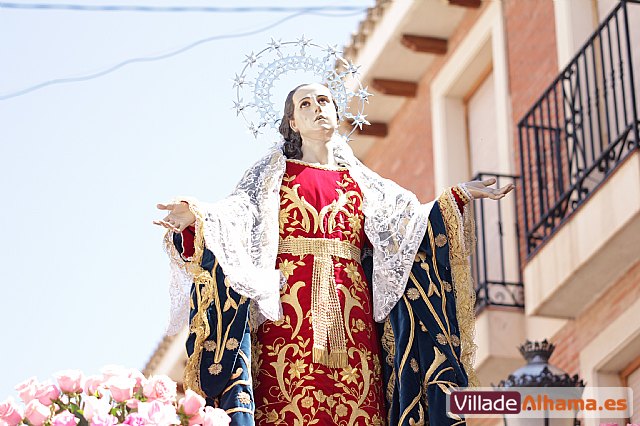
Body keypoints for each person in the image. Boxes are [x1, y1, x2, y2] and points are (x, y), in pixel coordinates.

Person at [154, 83, 514, 426]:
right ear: (293, 122)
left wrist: (455, 198)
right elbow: (235, 219)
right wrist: (197, 217)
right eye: (305, 104)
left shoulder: (366, 184)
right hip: (289, 319)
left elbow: (408, 229)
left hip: (353, 317)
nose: (317, 109)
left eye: (323, 101)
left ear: (337, 113)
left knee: (359, 401)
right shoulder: (270, 177)